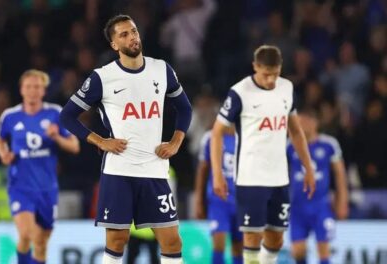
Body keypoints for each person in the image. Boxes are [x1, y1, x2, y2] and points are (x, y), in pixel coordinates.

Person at [59, 15, 192, 264]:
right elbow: (67, 116)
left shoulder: (161, 69)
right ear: (114, 45)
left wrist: (176, 141)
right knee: (117, 241)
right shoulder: (102, 77)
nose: (132, 37)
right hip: (119, 171)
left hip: (154, 169)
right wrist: (99, 140)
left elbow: (185, 109)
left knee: (173, 241)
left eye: (133, 31)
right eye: (124, 34)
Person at [210, 45, 316, 264]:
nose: (270, 80)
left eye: (275, 74)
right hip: (250, 177)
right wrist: (218, 174)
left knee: (276, 239)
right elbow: (216, 133)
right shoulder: (240, 92)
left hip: (279, 178)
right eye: (266, 74)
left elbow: (295, 130)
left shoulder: (286, 88)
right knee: (251, 235)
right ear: (255, 67)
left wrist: (308, 167)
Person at [0, 69, 80, 264]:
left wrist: (56, 136)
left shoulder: (55, 113)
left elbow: (74, 146)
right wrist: (3, 153)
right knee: (27, 233)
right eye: (29, 87)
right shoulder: (10, 116)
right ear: (21, 90)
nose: (33, 91)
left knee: (40, 242)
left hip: (47, 188)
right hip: (20, 187)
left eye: (37, 87)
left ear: (43, 91)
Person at [287, 109, 348, 264]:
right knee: (298, 251)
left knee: (323, 249)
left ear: (315, 123)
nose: (301, 125)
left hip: (321, 205)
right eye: (299, 122)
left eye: (305, 121)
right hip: (297, 207)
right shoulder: (289, 146)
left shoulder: (328, 144)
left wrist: (342, 202)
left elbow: (340, 175)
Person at [194, 128, 243, 264]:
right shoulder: (210, 137)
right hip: (219, 201)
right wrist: (199, 201)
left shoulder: (245, 136)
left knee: (238, 246)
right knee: (219, 242)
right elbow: (202, 170)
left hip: (241, 201)